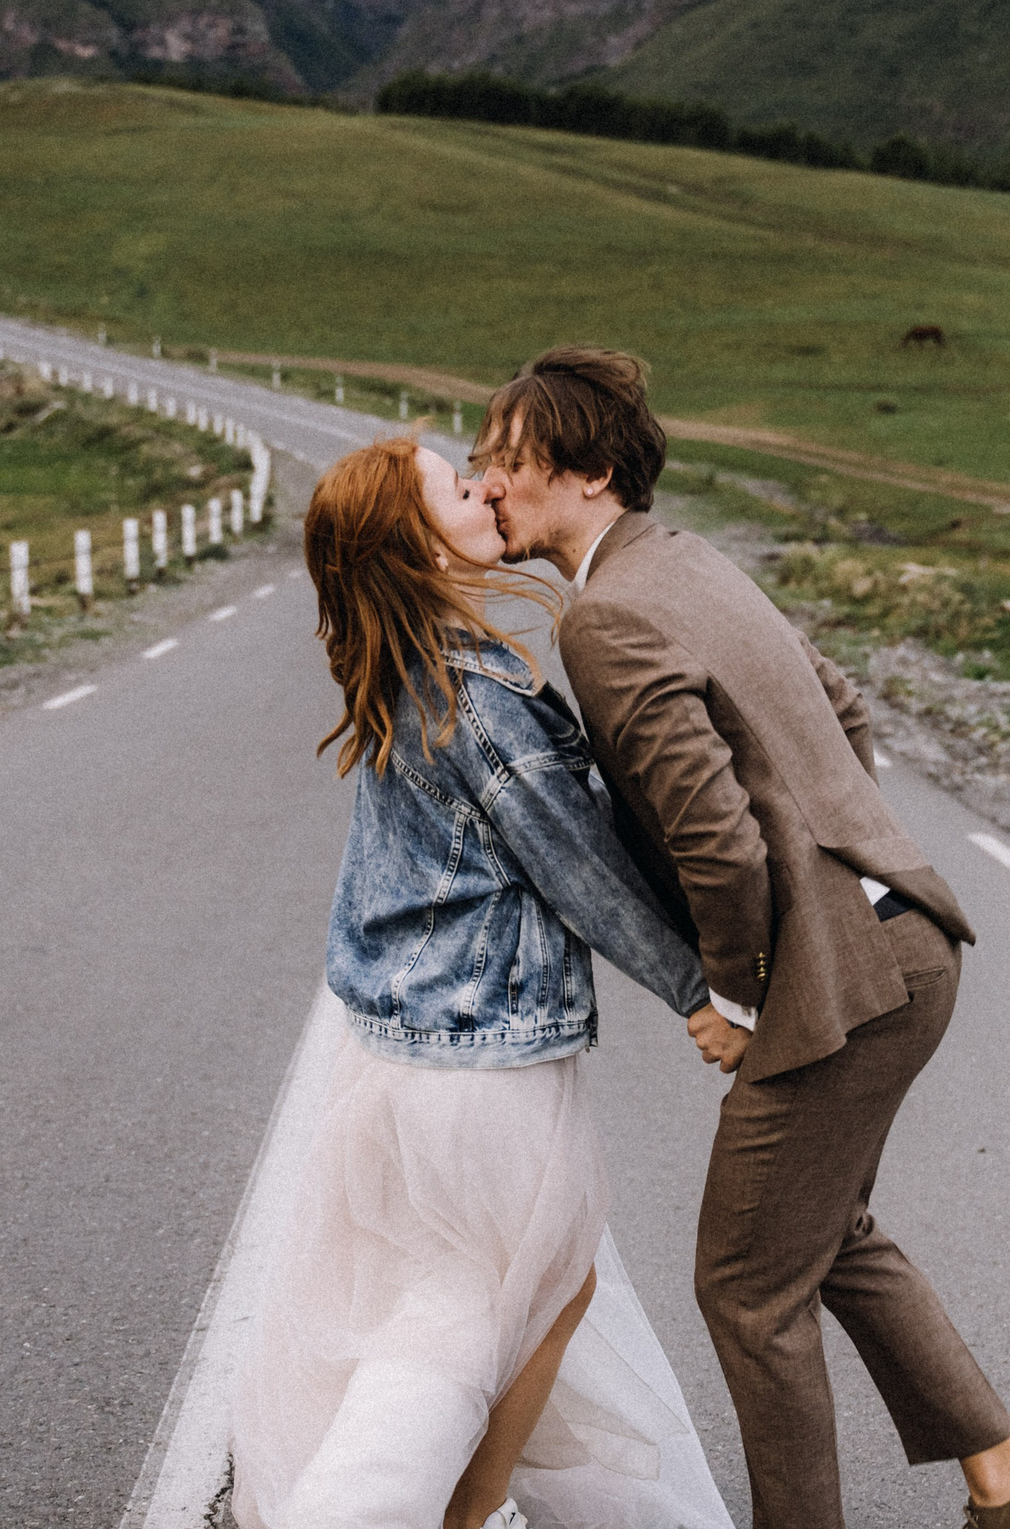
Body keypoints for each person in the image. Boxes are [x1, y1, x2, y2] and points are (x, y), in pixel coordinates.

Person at [475, 348, 1010, 1529]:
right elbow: (840, 709)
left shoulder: (603, 619)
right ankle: (1007, 1479)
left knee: (747, 1287)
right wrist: (844, 873)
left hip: (844, 984)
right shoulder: (691, 561)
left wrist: (743, 994)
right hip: (911, 941)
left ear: (590, 471)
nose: (487, 484)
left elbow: (717, 841)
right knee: (827, 1233)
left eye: (505, 462)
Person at [229, 436, 732, 1529]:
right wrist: (696, 994)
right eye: (459, 490)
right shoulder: (476, 692)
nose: (485, 490)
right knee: (487, 1310)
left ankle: (468, 1510)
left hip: (409, 1053)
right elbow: (575, 864)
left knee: (518, 1292)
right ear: (417, 541)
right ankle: (398, 1515)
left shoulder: (412, 665)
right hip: (479, 1063)